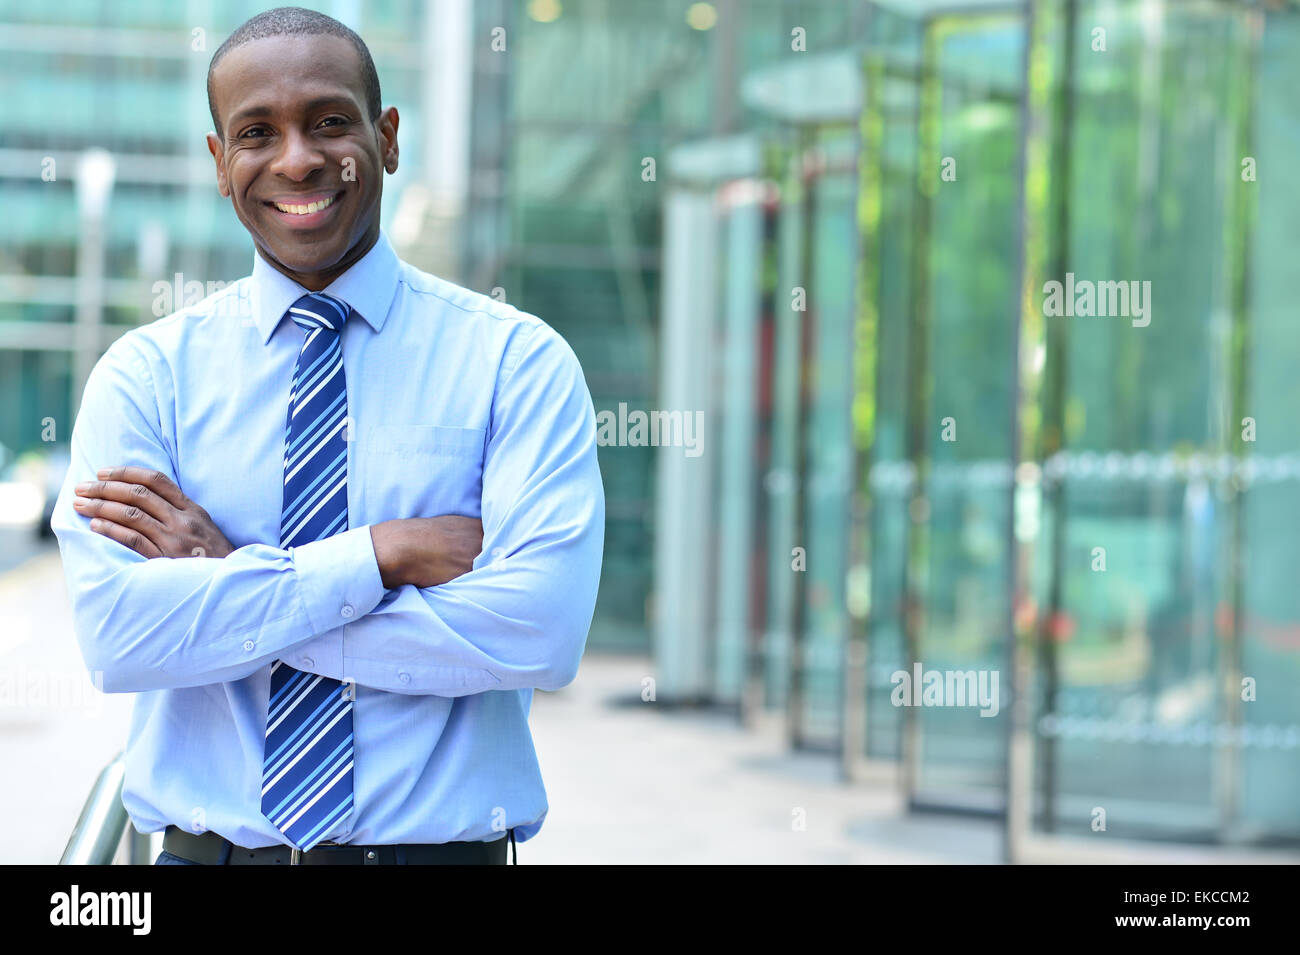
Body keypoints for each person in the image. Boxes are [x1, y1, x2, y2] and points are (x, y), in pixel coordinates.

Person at [49, 6, 605, 866]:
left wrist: (229, 581)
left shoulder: (515, 363)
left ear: (386, 137)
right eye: (256, 132)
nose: (298, 157)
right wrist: (380, 556)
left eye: (330, 121)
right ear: (219, 165)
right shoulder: (144, 378)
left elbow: (538, 631)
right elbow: (123, 639)